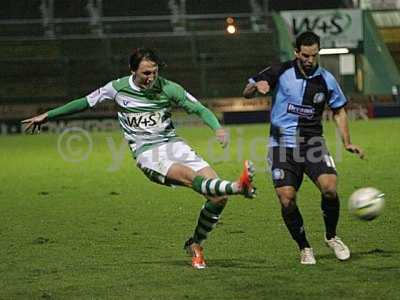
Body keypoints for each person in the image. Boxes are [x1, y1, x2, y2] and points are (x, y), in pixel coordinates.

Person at [22, 47, 256, 269]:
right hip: (148, 154)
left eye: (155, 72)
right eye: (146, 73)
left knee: (218, 198)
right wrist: (48, 115)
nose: (151, 77)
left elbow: (200, 109)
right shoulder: (117, 88)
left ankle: (196, 244)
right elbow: (84, 102)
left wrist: (217, 128)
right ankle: (238, 186)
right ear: (132, 70)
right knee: (191, 177)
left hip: (174, 145)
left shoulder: (169, 87)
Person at [242, 31, 364, 264]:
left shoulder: (326, 78)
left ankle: (332, 236)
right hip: (281, 146)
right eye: (305, 55)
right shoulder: (279, 71)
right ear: (297, 52)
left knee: (330, 187)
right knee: (287, 199)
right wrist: (256, 86)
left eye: (314, 55)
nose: (310, 60)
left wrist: (346, 142)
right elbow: (246, 92)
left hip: (312, 144)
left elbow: (338, 110)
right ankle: (304, 247)